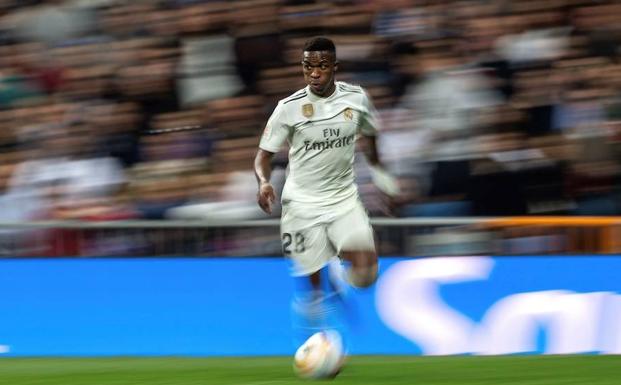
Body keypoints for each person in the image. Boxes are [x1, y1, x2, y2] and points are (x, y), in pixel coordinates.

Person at [253, 37, 398, 343]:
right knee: (313, 292)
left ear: (334, 67)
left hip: (343, 199)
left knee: (366, 276)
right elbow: (263, 156)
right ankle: (317, 330)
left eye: (321, 66)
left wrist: (379, 173)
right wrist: (264, 182)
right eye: (308, 66)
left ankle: (335, 268)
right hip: (302, 204)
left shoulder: (356, 99)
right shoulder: (288, 108)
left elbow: (370, 136)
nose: (314, 73)